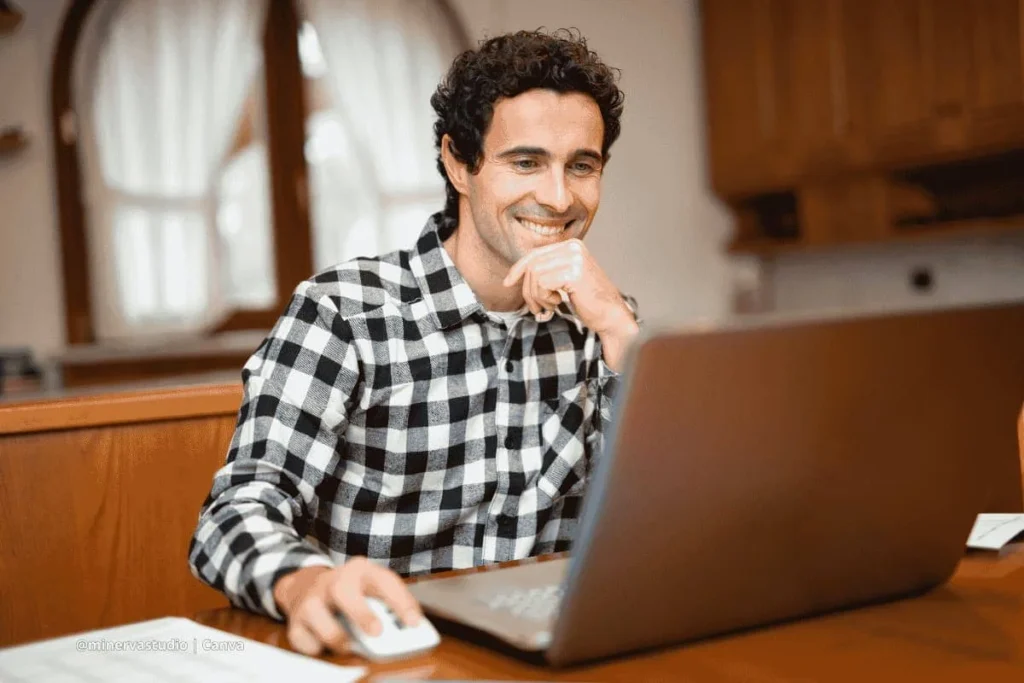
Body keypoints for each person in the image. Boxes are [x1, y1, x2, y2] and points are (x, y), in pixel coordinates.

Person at [188, 28, 639, 657]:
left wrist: (620, 331)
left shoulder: (606, 325)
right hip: (385, 652)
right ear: (458, 162)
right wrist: (306, 584)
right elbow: (234, 514)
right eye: (526, 162)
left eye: (582, 166)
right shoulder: (342, 314)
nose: (560, 197)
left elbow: (663, 528)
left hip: (549, 658)